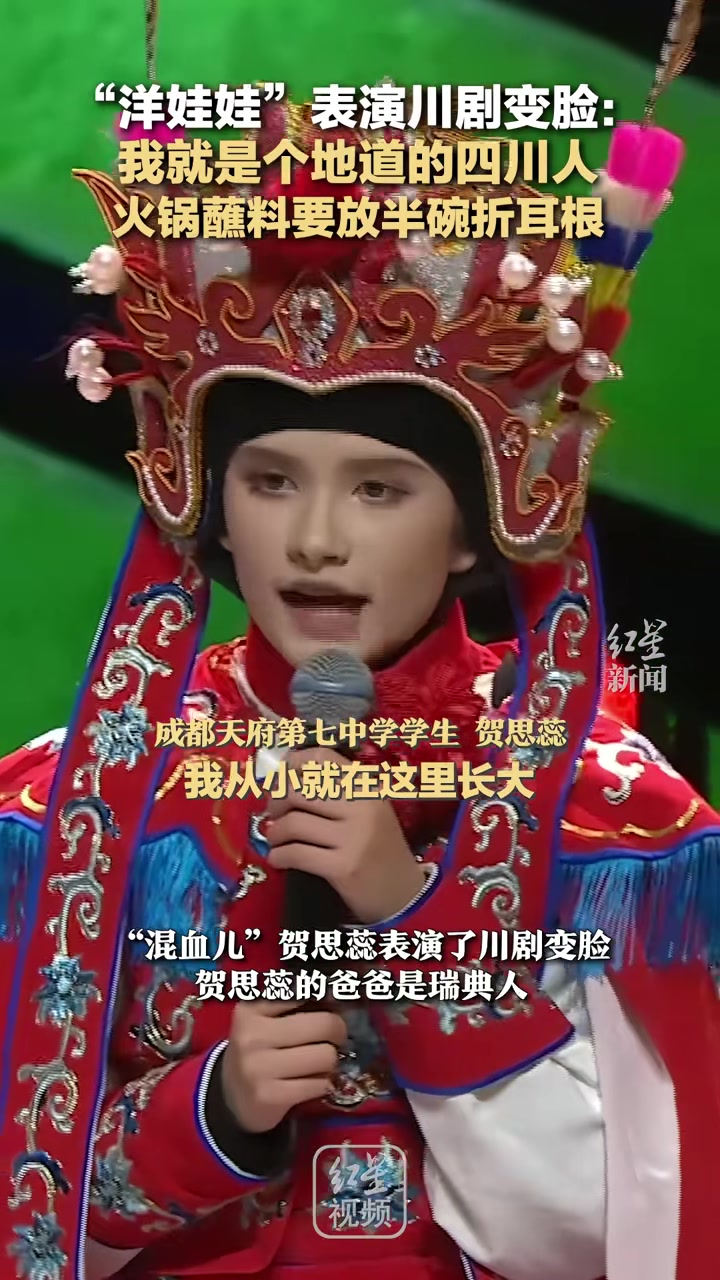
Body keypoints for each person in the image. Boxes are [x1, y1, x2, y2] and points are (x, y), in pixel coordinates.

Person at [2, 55, 719, 1280]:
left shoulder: (607, 814)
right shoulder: (65, 805)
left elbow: (623, 1229)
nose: (317, 539)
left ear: (474, 528)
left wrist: (407, 912)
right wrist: (209, 1114)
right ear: (210, 505)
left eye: (380, 489)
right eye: (272, 480)